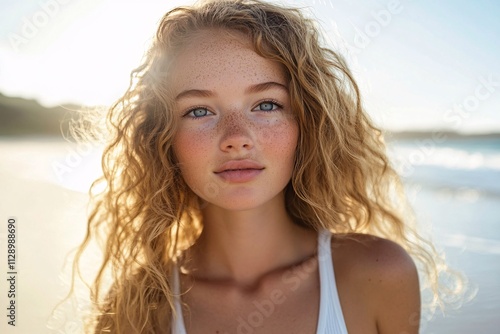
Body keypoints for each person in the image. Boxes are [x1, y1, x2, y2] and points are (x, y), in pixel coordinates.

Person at [73, 0, 457, 333]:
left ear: (308, 122)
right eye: (199, 111)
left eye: (267, 105)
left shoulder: (377, 274)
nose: (236, 137)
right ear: (162, 138)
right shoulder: (139, 306)